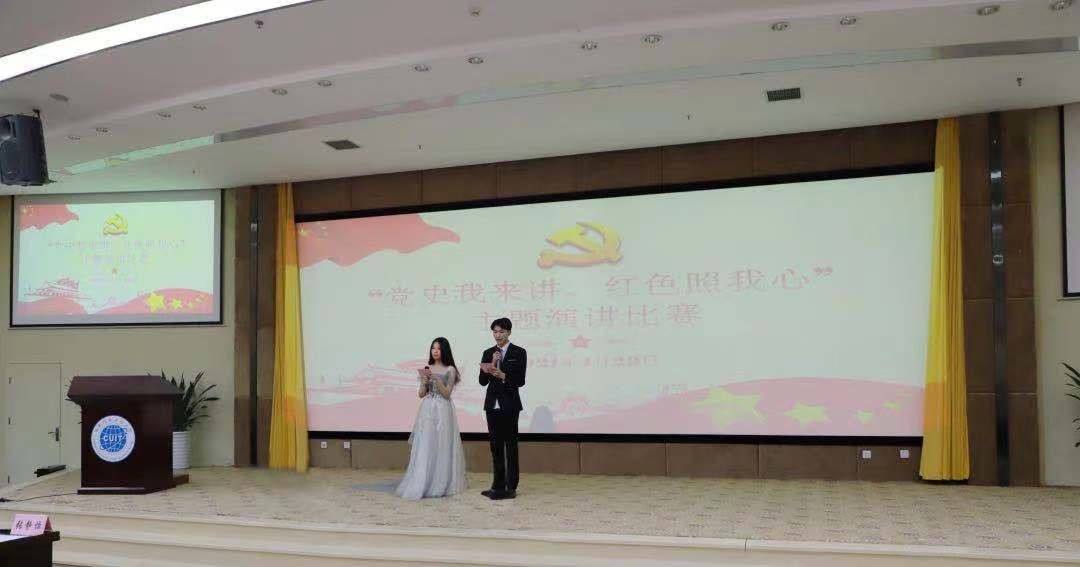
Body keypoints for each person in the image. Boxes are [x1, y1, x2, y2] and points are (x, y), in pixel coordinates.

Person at [394, 337, 468, 500]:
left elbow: (447, 394)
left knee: (441, 444)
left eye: (438, 348)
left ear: (444, 350)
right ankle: (422, 481)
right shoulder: (427, 368)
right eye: (433, 348)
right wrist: (424, 381)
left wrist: (435, 379)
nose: (435, 351)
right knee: (426, 443)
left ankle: (440, 483)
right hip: (427, 409)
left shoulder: (450, 369)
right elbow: (421, 394)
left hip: (443, 409)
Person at [478, 317, 526, 500]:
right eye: (495, 332)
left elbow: (520, 380)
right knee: (495, 446)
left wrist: (503, 375)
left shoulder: (519, 352)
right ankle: (497, 485)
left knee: (510, 445)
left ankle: (511, 487)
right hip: (492, 404)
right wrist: (491, 364)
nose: (498, 335)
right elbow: (482, 382)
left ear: (509, 332)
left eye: (501, 332)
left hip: (510, 404)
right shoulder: (488, 352)